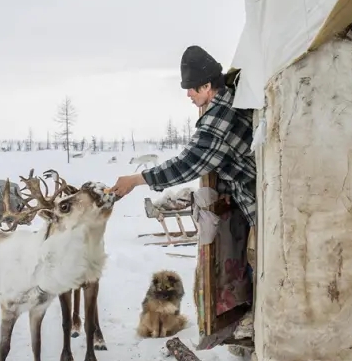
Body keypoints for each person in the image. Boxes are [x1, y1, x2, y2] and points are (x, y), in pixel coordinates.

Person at [110, 45, 257, 228]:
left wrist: (137, 179)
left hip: (262, 207)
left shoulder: (219, 117)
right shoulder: (231, 99)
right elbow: (231, 156)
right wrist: (227, 188)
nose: (188, 94)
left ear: (206, 86)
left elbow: (188, 163)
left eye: (190, 89)